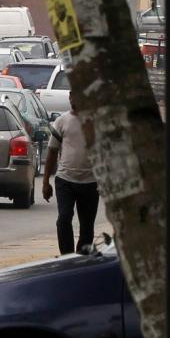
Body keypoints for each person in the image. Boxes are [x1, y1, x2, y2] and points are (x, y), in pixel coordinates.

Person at [42, 105, 100, 255]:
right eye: (71, 95)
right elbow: (52, 152)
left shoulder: (96, 122)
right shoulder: (62, 121)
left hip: (90, 183)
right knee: (64, 219)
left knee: (87, 227)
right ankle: (67, 257)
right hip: (65, 180)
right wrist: (45, 181)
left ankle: (81, 260)